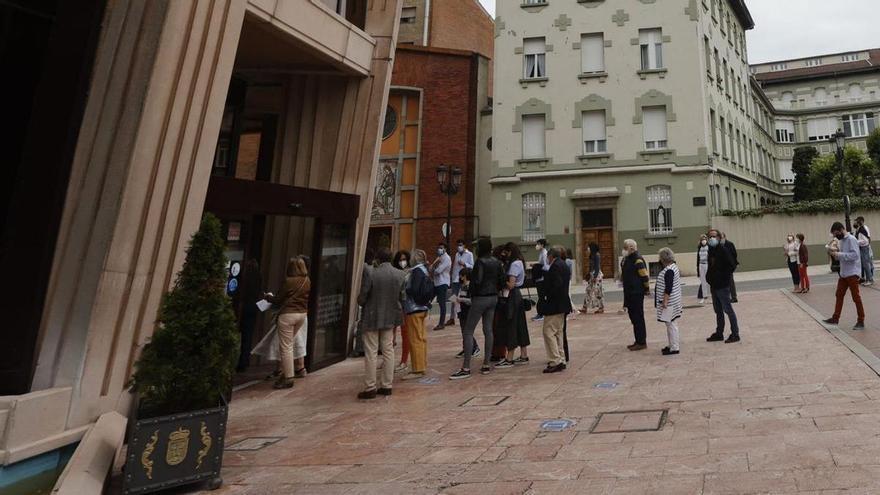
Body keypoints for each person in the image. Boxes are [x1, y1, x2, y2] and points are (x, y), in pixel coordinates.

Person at [450, 238, 505, 379]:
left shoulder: (480, 262)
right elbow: (501, 280)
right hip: (493, 297)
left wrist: (472, 294)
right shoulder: (496, 262)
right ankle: (486, 363)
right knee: (488, 330)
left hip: (480, 297)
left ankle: (466, 367)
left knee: (468, 331)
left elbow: (477, 280)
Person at [356, 248, 406, 399]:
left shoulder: (371, 273)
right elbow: (402, 296)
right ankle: (387, 385)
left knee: (371, 351)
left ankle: (370, 386)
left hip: (372, 315)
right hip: (390, 315)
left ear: (378, 258)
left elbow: (363, 296)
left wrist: (360, 301)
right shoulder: (400, 274)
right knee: (388, 349)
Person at [264, 257, 310, 389]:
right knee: (288, 345)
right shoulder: (307, 280)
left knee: (286, 347)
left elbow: (278, 299)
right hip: (301, 314)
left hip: (288, 315)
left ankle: (288, 377)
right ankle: (286, 373)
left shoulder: (289, 281)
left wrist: (268, 297)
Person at [824, 222, 865, 330]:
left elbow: (855, 255)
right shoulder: (841, 240)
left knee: (856, 297)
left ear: (841, 229)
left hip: (852, 272)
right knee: (839, 294)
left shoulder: (851, 239)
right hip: (844, 273)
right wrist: (834, 253)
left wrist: (839, 254)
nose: (836, 236)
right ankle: (835, 318)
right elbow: (844, 255)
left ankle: (861, 321)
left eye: (836, 233)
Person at [496, 242, 531, 368]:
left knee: (511, 325)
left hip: (512, 296)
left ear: (510, 252)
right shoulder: (520, 262)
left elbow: (511, 284)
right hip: (517, 296)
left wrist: (501, 279)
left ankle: (509, 357)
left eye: (506, 252)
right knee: (520, 325)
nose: (505, 255)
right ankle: (523, 355)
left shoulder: (514, 264)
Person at [540, 247, 572, 373]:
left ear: (551, 256)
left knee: (548, 332)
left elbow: (556, 285)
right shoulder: (563, 264)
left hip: (555, 305)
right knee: (558, 332)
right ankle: (561, 358)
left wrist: (548, 295)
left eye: (548, 256)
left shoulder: (555, 266)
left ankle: (555, 360)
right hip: (563, 304)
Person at [706, 229, 740, 344]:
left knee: (728, 309)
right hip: (714, 285)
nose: (712, 239)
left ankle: (735, 333)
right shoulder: (710, 250)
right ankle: (719, 332)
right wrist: (709, 278)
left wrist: (724, 278)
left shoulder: (723, 250)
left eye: (714, 236)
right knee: (718, 310)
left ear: (719, 237)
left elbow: (732, 265)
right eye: (710, 237)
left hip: (722, 285)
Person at [403, 249, 432, 380]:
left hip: (413, 308)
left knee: (415, 339)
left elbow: (413, 289)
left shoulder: (416, 271)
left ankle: (417, 368)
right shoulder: (425, 270)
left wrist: (406, 291)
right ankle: (422, 364)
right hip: (423, 307)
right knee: (421, 338)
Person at [621, 239, 650, 351]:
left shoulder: (637, 259)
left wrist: (646, 288)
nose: (623, 250)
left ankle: (641, 341)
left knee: (638, 317)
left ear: (632, 248)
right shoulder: (628, 259)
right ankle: (638, 340)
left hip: (636, 292)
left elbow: (644, 276)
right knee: (633, 317)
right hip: (629, 292)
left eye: (625, 248)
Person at [656, 248, 683, 356]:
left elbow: (668, 288)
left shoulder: (669, 270)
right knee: (670, 324)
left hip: (670, 302)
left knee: (671, 324)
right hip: (674, 300)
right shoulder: (673, 267)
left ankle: (674, 347)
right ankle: (671, 344)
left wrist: (665, 301)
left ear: (663, 259)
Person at [237, 258, 262, 371]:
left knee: (240, 334)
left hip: (243, 306)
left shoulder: (244, 277)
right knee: (248, 335)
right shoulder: (258, 277)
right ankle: (244, 361)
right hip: (253, 307)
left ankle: (239, 361)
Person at [453, 267, 480, 359]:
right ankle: (466, 348)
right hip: (461, 311)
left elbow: (472, 300)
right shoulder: (462, 287)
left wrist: (461, 299)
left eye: (461, 275)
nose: (459, 277)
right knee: (463, 331)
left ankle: (474, 347)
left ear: (464, 276)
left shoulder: (470, 287)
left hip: (468, 312)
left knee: (467, 331)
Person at [392, 250, 412, 373]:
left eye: (404, 259)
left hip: (405, 305)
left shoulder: (410, 272)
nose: (402, 262)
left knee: (405, 334)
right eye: (400, 259)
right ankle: (387, 359)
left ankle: (404, 361)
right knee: (389, 335)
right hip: (394, 305)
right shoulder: (394, 272)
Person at [449, 239, 475, 326]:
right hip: (456, 278)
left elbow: (472, 266)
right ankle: (452, 317)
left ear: (464, 246)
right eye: (458, 245)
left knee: (462, 296)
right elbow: (455, 267)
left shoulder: (469, 254)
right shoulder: (456, 254)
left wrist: (464, 264)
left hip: (464, 278)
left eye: (460, 245)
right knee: (453, 297)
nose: (459, 247)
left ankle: (463, 314)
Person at [430, 243, 452, 330]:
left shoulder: (447, 258)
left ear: (445, 249)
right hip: (436, 282)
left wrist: (433, 268)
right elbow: (431, 268)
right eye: (439, 247)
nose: (439, 249)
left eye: (441, 248)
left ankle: (441, 323)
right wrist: (433, 268)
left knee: (442, 303)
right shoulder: (439, 258)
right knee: (429, 298)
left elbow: (438, 271)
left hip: (443, 283)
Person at [580, 242, 605, 314]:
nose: (587, 249)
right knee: (588, 290)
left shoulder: (597, 255)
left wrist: (595, 276)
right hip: (592, 274)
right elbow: (591, 267)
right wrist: (588, 274)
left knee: (598, 292)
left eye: (588, 247)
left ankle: (601, 307)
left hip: (597, 276)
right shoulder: (591, 256)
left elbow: (597, 267)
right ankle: (584, 307)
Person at [531, 239, 549, 322]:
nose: (537, 246)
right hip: (539, 278)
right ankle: (541, 313)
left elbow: (546, 266)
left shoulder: (545, 253)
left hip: (542, 278)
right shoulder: (541, 253)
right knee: (541, 296)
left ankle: (541, 313)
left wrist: (537, 267)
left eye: (538, 244)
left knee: (541, 296)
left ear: (542, 245)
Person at [855, 217, 874, 286]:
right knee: (866, 264)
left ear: (861, 221)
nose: (855, 223)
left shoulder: (862, 229)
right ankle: (868, 279)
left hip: (864, 247)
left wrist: (856, 242)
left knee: (866, 264)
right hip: (864, 247)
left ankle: (870, 279)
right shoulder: (862, 228)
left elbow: (865, 240)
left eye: (857, 221)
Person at [696, 235, 710, 304]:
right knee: (703, 282)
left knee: (709, 281)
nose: (703, 241)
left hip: (707, 264)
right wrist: (697, 269)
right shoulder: (699, 248)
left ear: (706, 240)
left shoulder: (709, 247)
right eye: (702, 240)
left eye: (704, 239)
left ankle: (713, 296)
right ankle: (704, 297)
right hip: (701, 265)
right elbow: (697, 259)